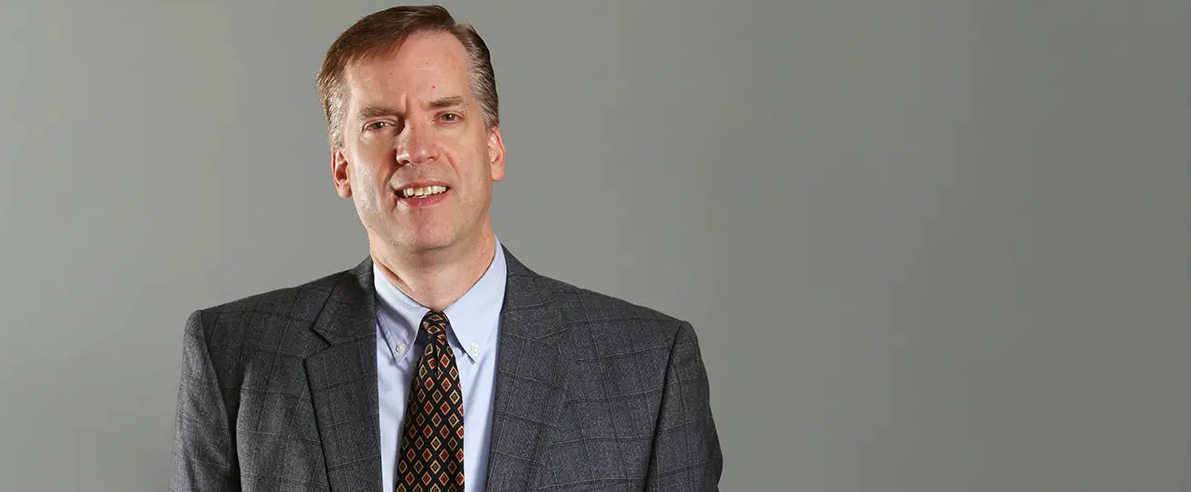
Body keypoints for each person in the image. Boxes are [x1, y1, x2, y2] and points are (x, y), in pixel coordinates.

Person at [169, 5, 721, 492]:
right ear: (341, 168)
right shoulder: (235, 355)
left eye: (447, 116)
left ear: (494, 148)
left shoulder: (649, 369)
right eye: (380, 124)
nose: (415, 149)